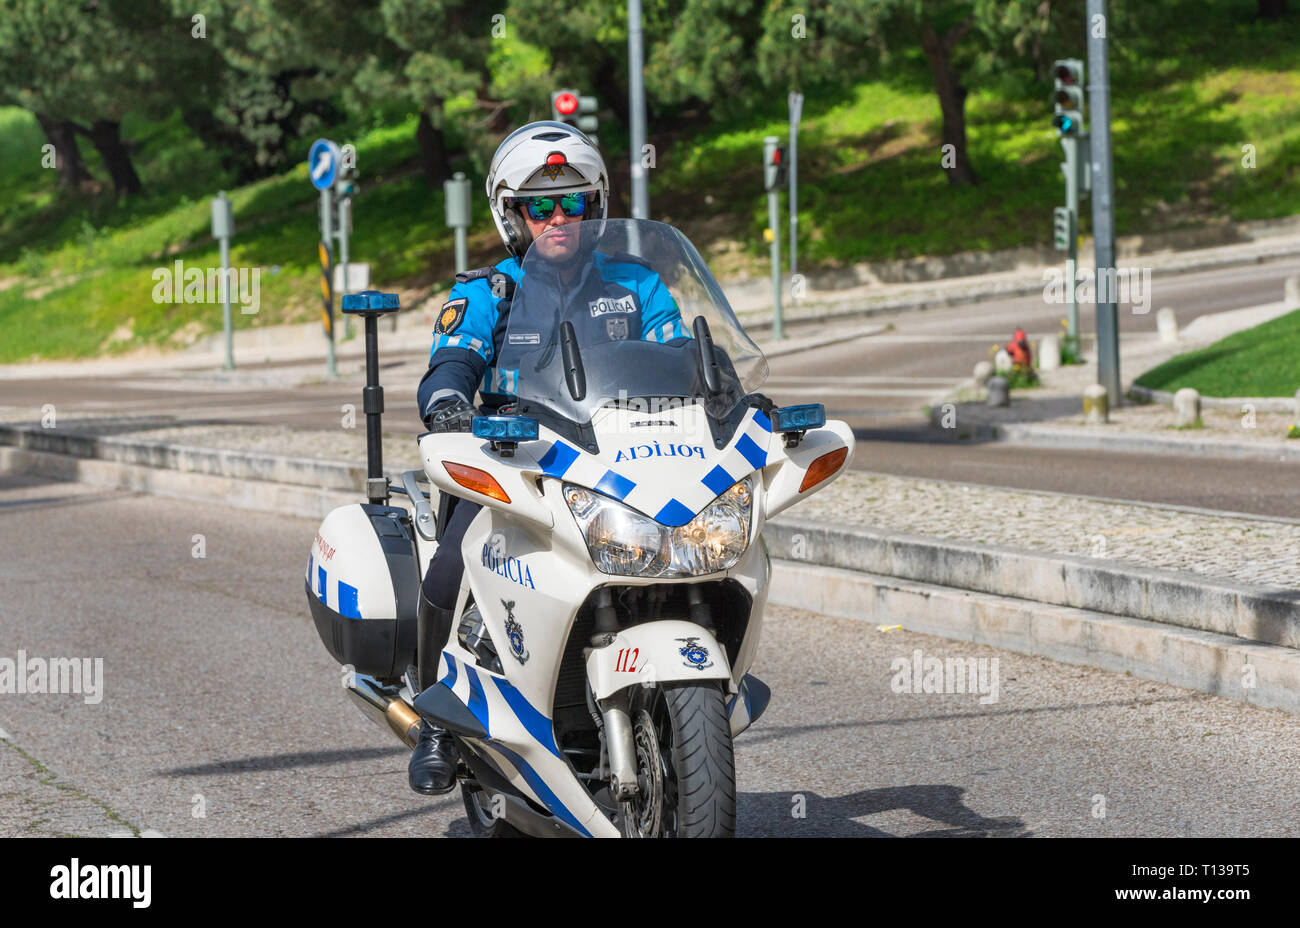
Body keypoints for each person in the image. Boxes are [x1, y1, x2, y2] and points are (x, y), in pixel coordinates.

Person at [407, 121, 686, 795]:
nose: (558, 218)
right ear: (512, 213)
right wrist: (449, 403)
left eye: (573, 203)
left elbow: (682, 356)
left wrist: (731, 391)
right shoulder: (489, 291)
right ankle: (436, 723)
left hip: (621, 464)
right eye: (539, 205)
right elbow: (451, 364)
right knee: (450, 566)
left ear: (596, 206)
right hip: (516, 470)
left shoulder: (638, 285)